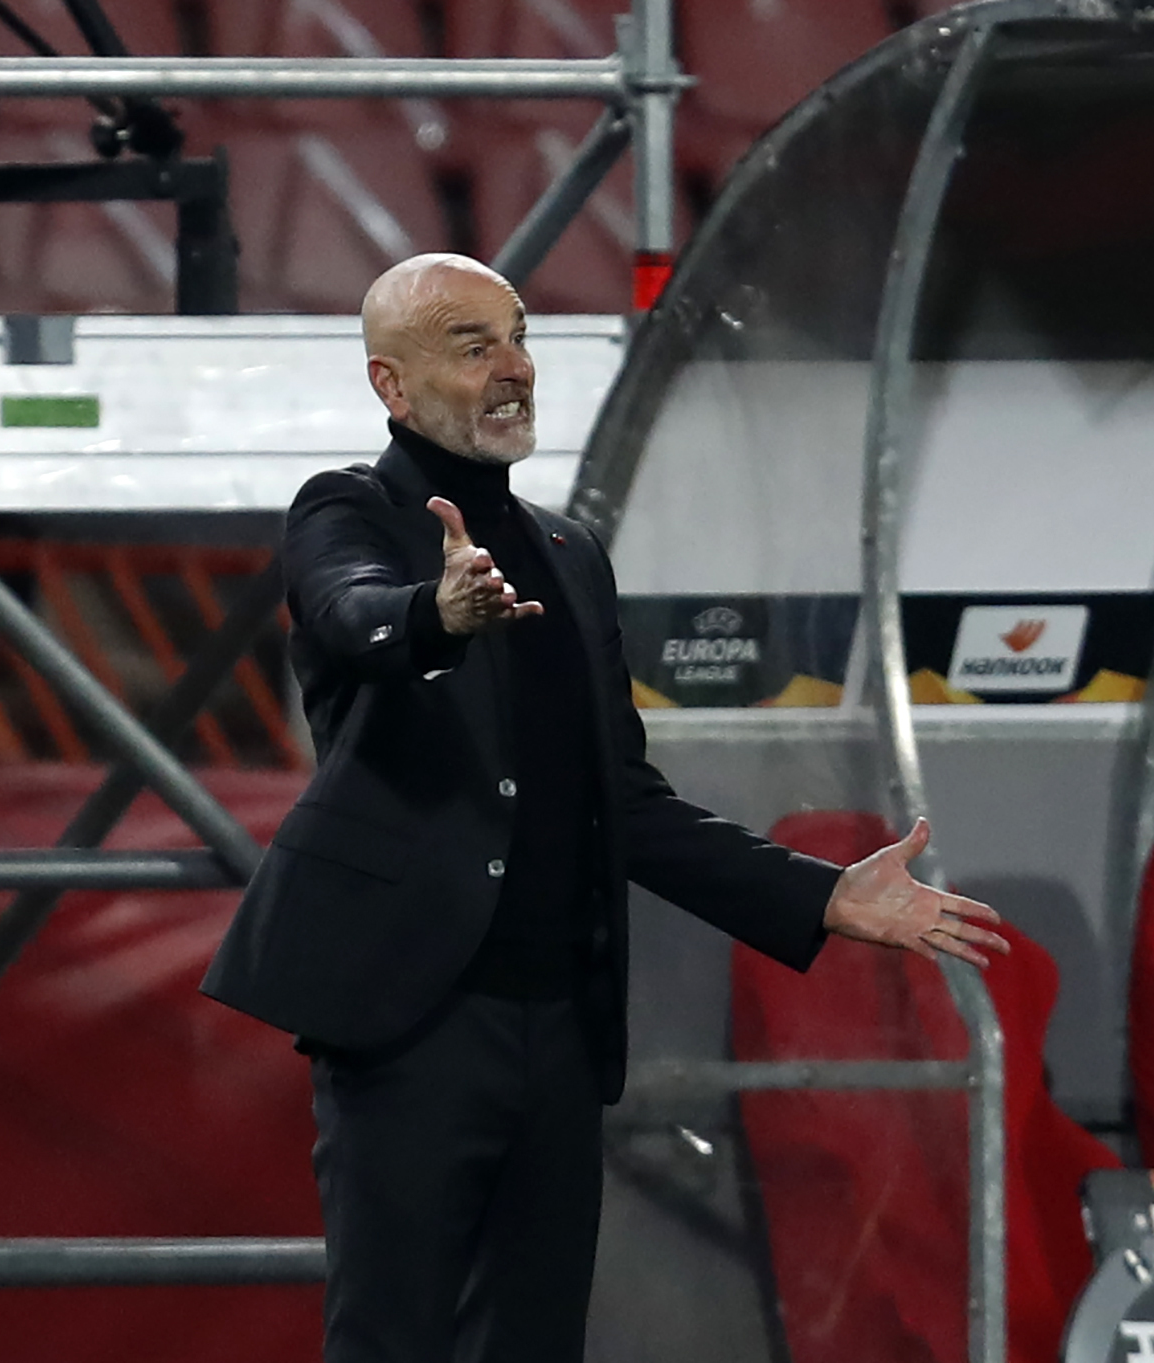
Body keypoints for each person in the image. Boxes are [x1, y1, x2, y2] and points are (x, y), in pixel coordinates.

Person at [202, 253, 1009, 1363]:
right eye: (469, 343)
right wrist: (433, 615)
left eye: (517, 336)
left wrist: (818, 897)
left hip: (558, 1026)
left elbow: (625, 801)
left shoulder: (570, 551)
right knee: (392, 1337)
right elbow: (351, 616)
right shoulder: (347, 508)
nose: (511, 366)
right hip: (410, 1021)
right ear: (390, 384)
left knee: (534, 1339)